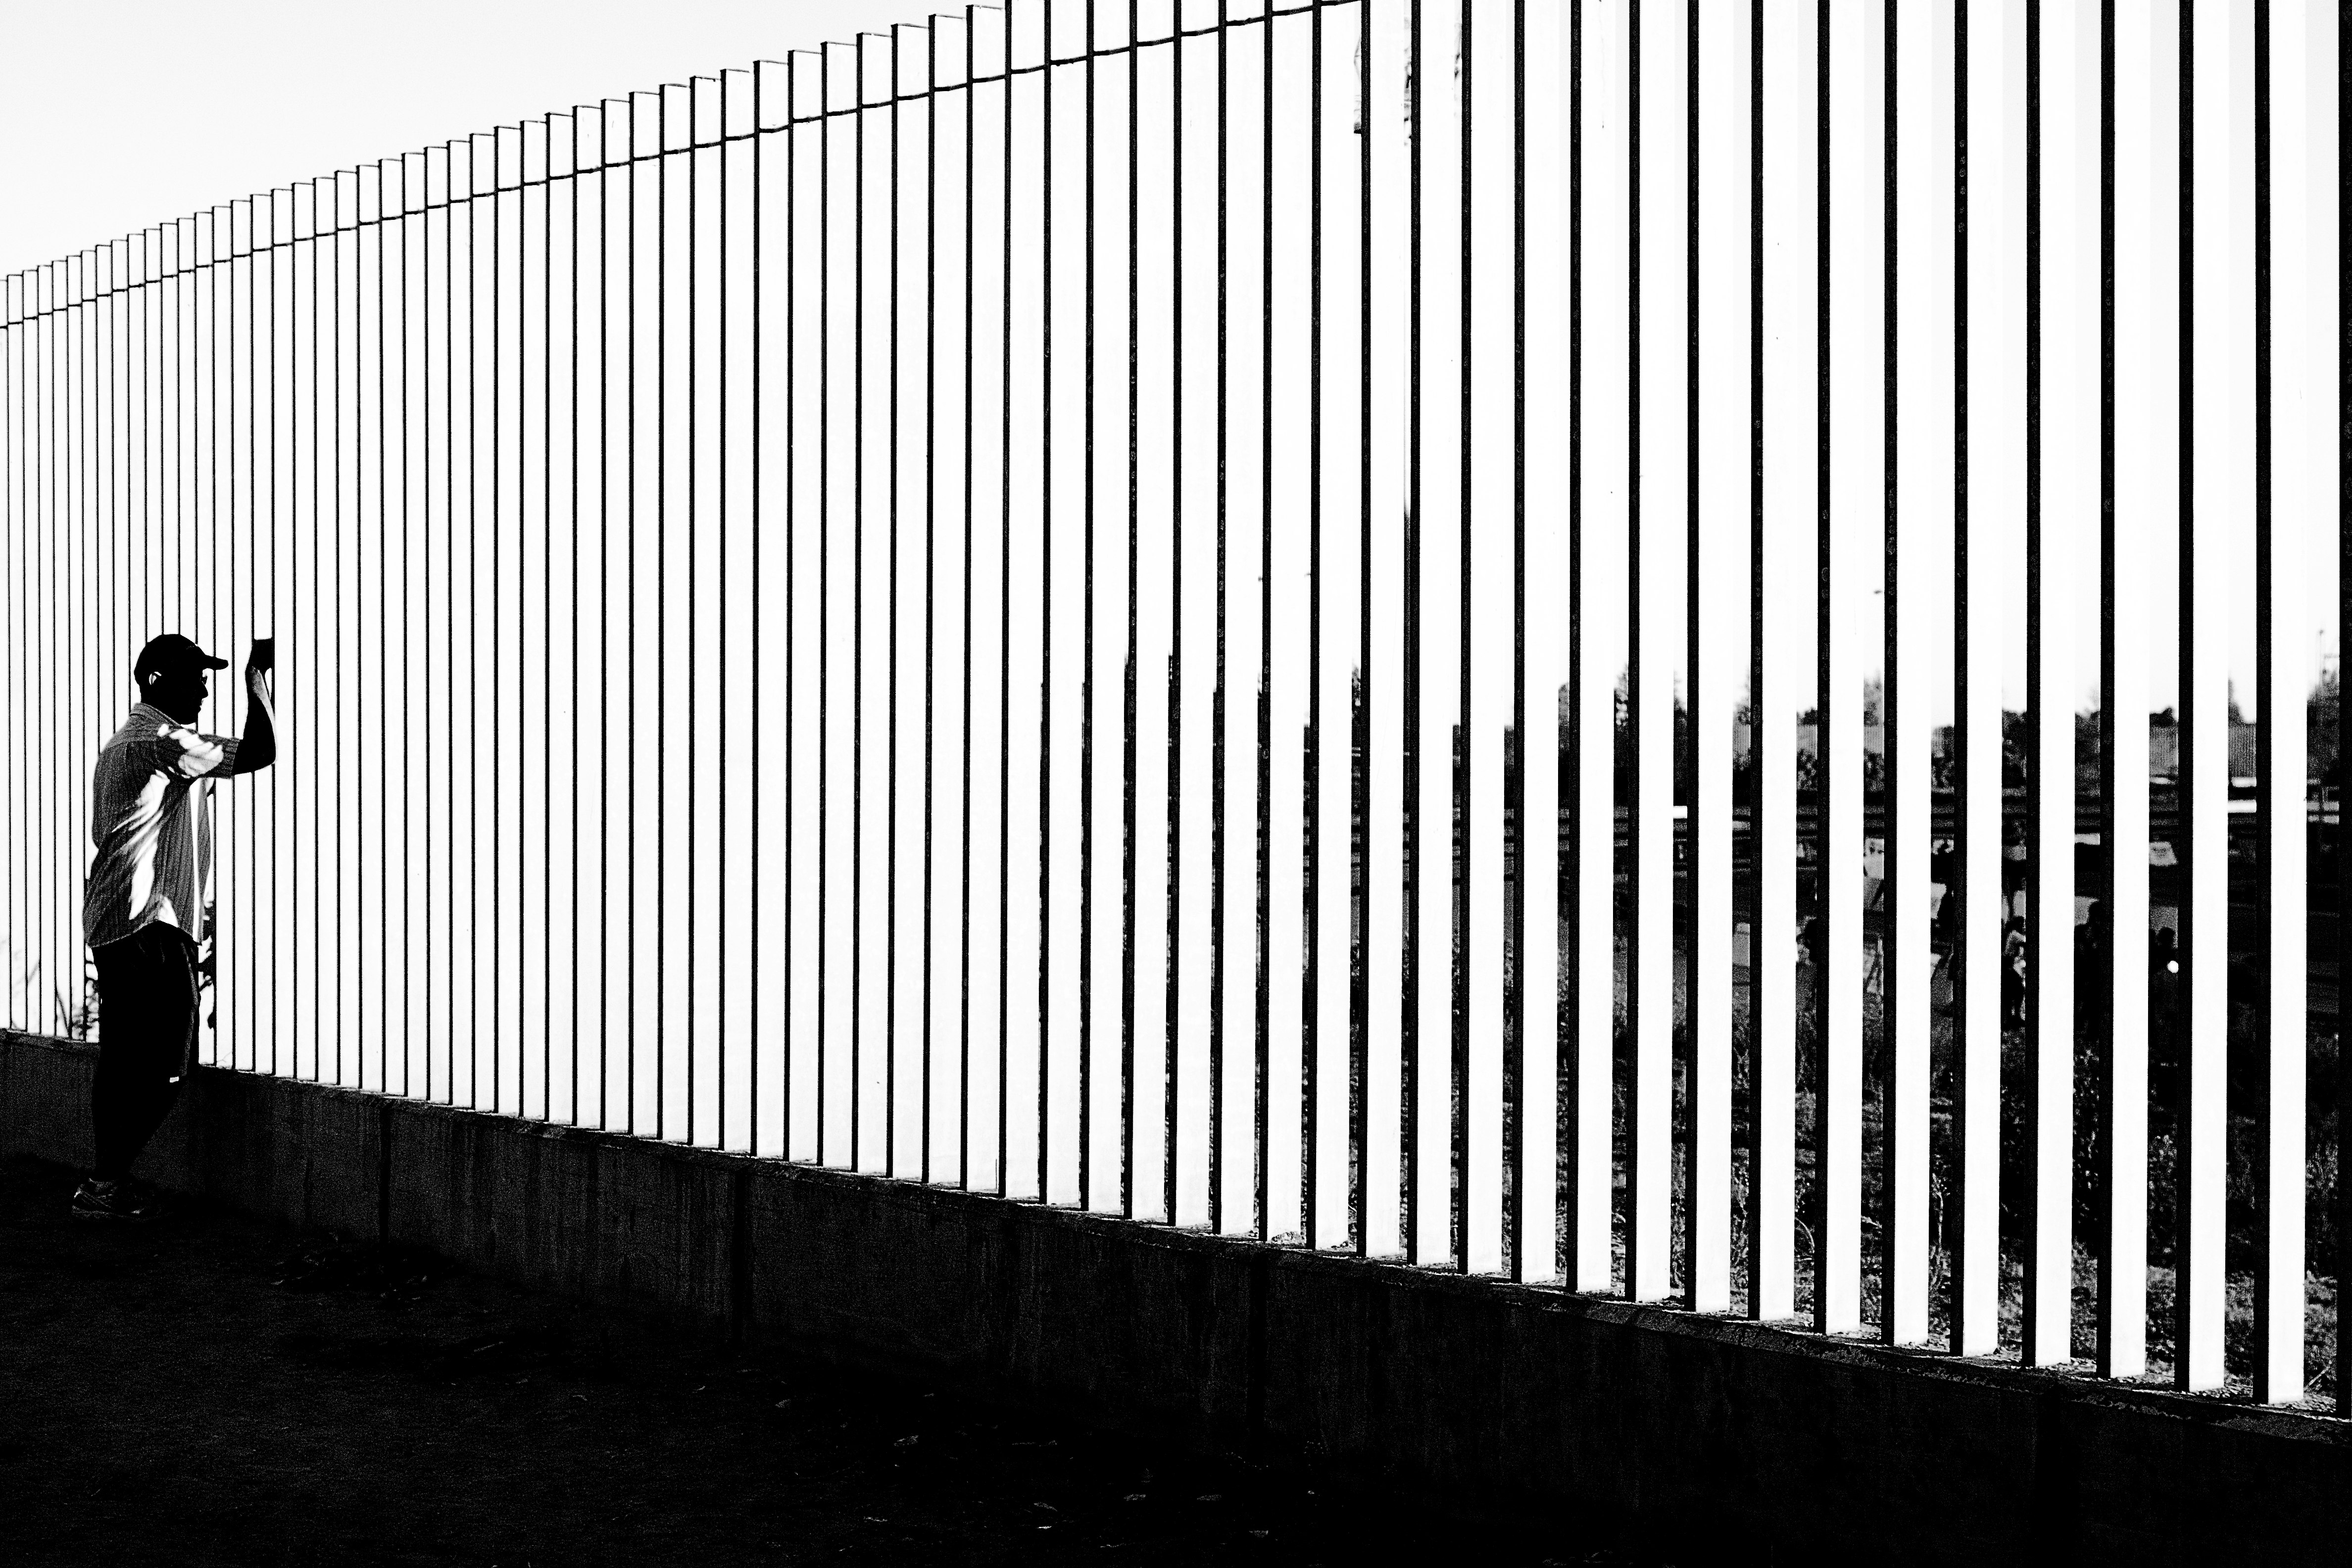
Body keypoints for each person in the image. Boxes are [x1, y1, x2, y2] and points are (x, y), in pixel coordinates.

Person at [72, 633, 276, 1221]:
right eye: (196, 676)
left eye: (209, 675)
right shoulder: (162, 741)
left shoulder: (124, 744)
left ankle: (101, 1188)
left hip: (119, 918)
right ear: (159, 682)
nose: (206, 686)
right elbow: (260, 752)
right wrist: (256, 681)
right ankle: (103, 1182)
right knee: (167, 1065)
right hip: (148, 922)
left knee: (123, 1061)